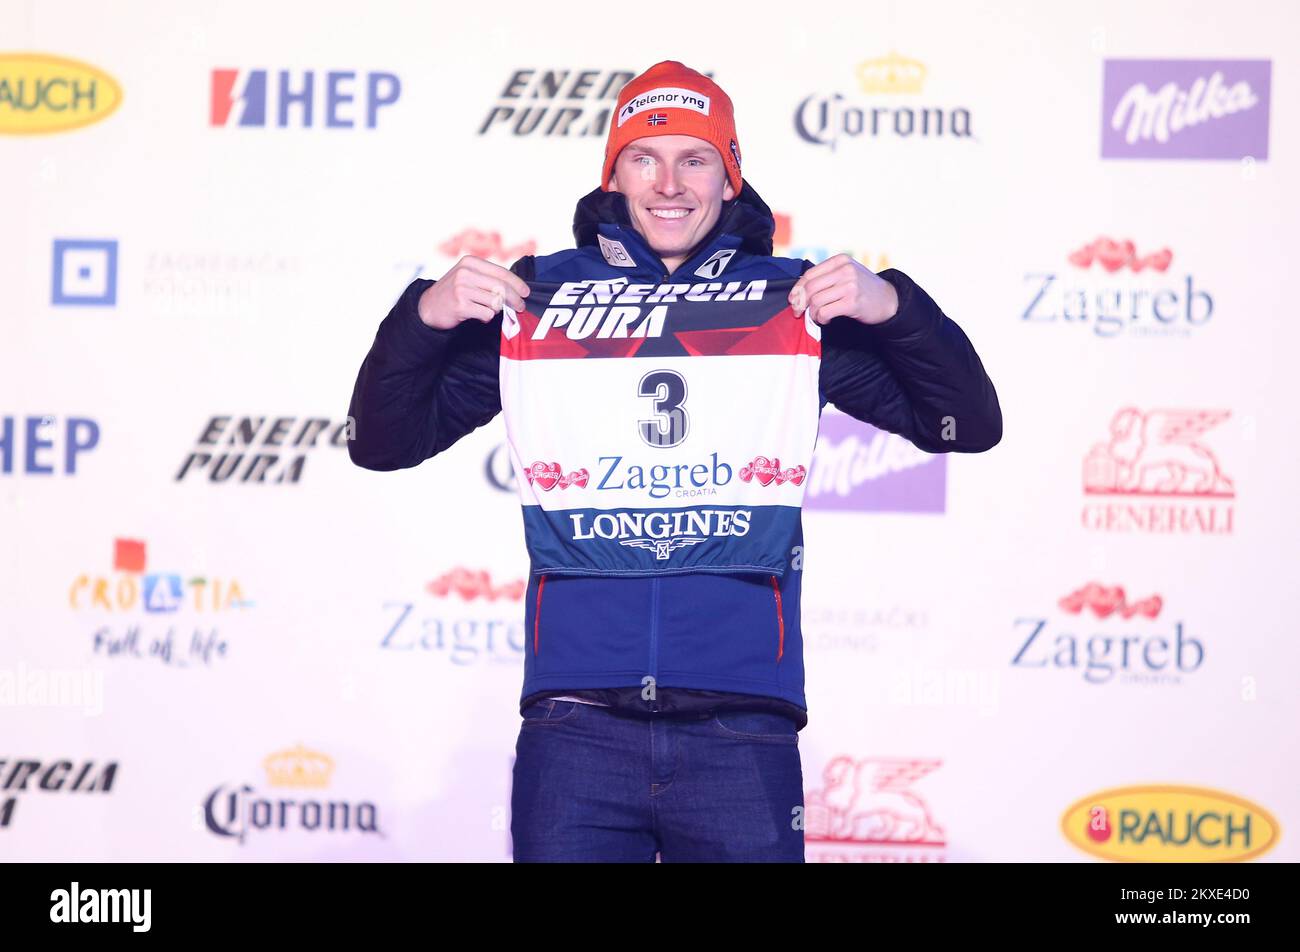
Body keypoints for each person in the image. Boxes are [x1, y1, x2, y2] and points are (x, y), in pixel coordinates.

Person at [347, 61, 1002, 862]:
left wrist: (895, 307)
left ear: (730, 178)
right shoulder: (538, 302)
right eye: (644, 158)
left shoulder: (789, 304)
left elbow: (966, 425)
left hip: (742, 725)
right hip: (575, 721)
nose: (668, 184)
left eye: (694, 159)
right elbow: (381, 443)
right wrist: (425, 315)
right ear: (613, 175)